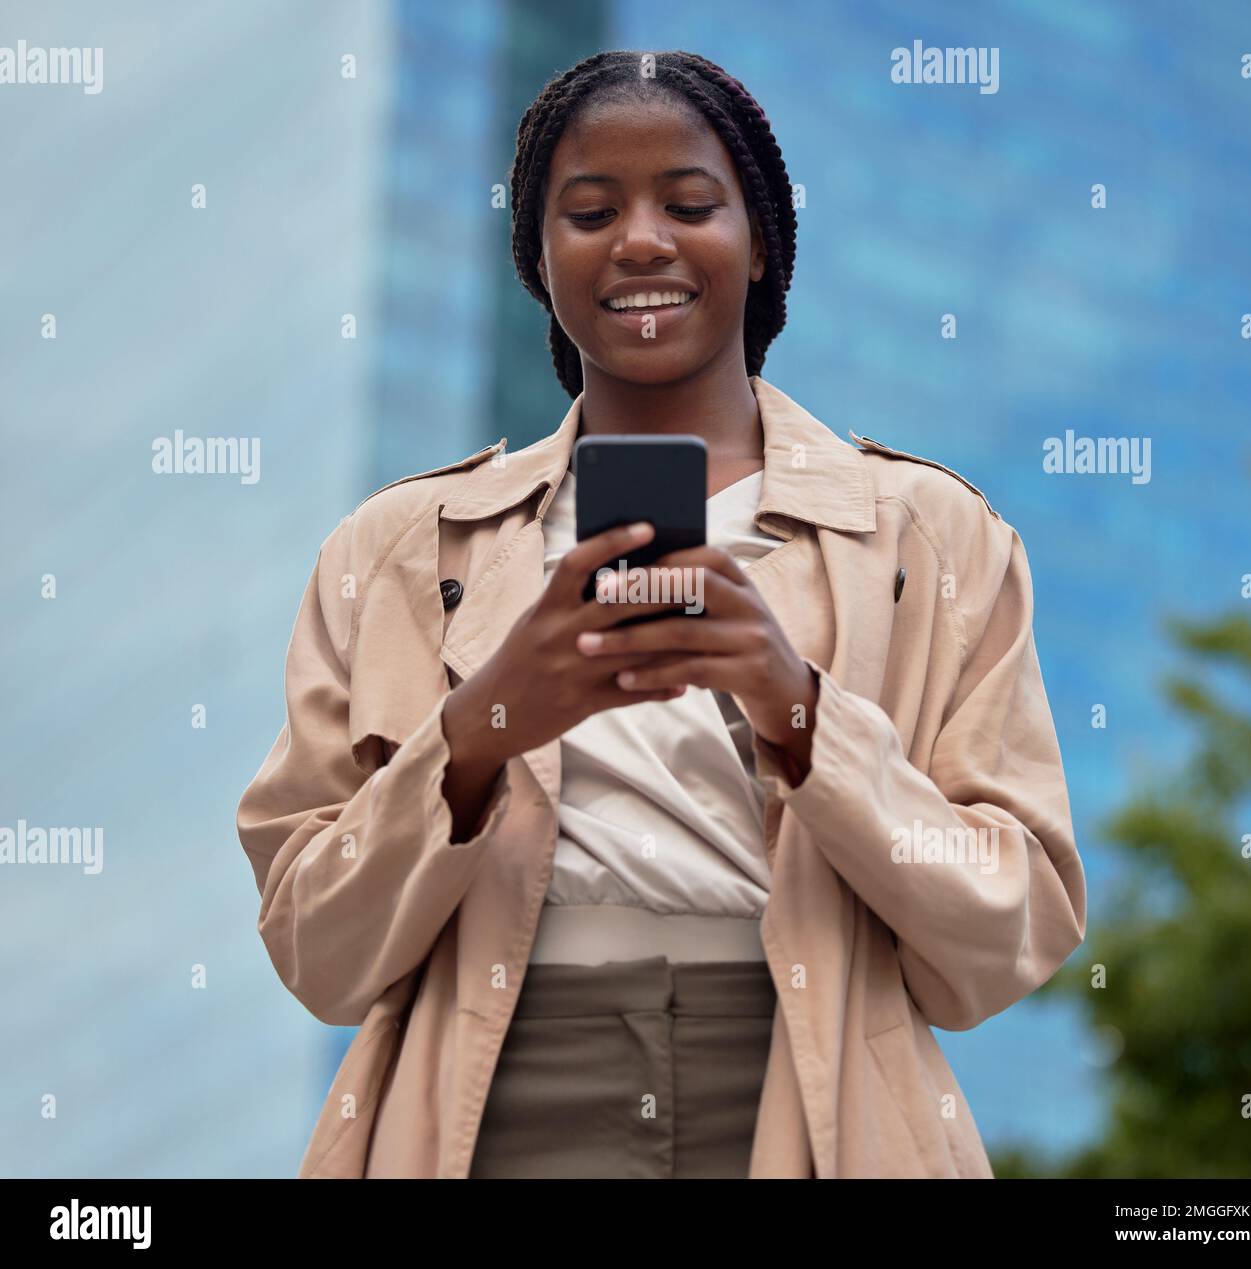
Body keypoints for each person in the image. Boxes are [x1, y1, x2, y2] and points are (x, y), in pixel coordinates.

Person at [236, 49, 1086, 1180]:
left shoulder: (927, 536)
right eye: (589, 211)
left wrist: (800, 715)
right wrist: (485, 725)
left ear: (763, 239)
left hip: (811, 1090)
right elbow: (314, 946)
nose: (640, 240)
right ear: (536, 260)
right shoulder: (400, 548)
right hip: (497, 1087)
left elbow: (1008, 934)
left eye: (690, 204)